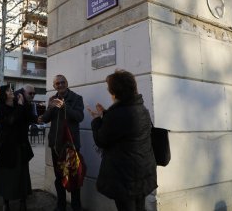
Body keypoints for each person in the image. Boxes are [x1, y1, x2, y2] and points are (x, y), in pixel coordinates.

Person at [87, 69, 157, 211]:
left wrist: (96, 121)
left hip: (125, 177)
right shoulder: (140, 107)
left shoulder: (117, 114)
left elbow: (101, 140)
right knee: (140, 207)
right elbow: (125, 129)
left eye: (110, 90)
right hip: (143, 170)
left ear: (116, 92)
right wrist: (105, 114)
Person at [41, 75, 84, 211]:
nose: (60, 85)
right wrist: (51, 108)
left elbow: (79, 117)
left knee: (74, 177)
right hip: (56, 146)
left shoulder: (77, 98)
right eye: (57, 83)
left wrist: (65, 107)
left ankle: (76, 206)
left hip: (71, 145)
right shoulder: (52, 99)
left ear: (67, 83)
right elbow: (45, 119)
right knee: (59, 177)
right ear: (54, 86)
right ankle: (61, 206)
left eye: (62, 82)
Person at [0, 85, 36, 211]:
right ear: (4, 95)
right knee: (6, 176)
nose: (11, 91)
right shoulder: (1, 108)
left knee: (22, 175)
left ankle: (23, 201)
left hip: (20, 145)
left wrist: (24, 105)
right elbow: (10, 121)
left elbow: (30, 118)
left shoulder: (20, 104)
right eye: (8, 90)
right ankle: (6, 202)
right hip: (6, 147)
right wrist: (21, 106)